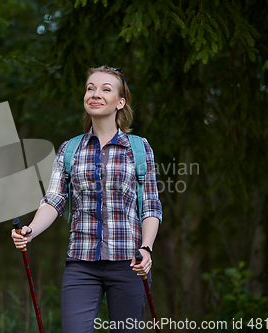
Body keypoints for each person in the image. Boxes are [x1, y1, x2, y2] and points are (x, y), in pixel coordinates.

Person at [11, 65, 162, 333]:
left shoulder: (139, 147)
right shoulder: (70, 149)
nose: (96, 93)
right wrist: (30, 230)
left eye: (106, 89)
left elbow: (150, 206)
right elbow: (54, 199)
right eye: (90, 88)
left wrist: (147, 248)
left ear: (120, 102)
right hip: (81, 265)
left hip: (129, 264)